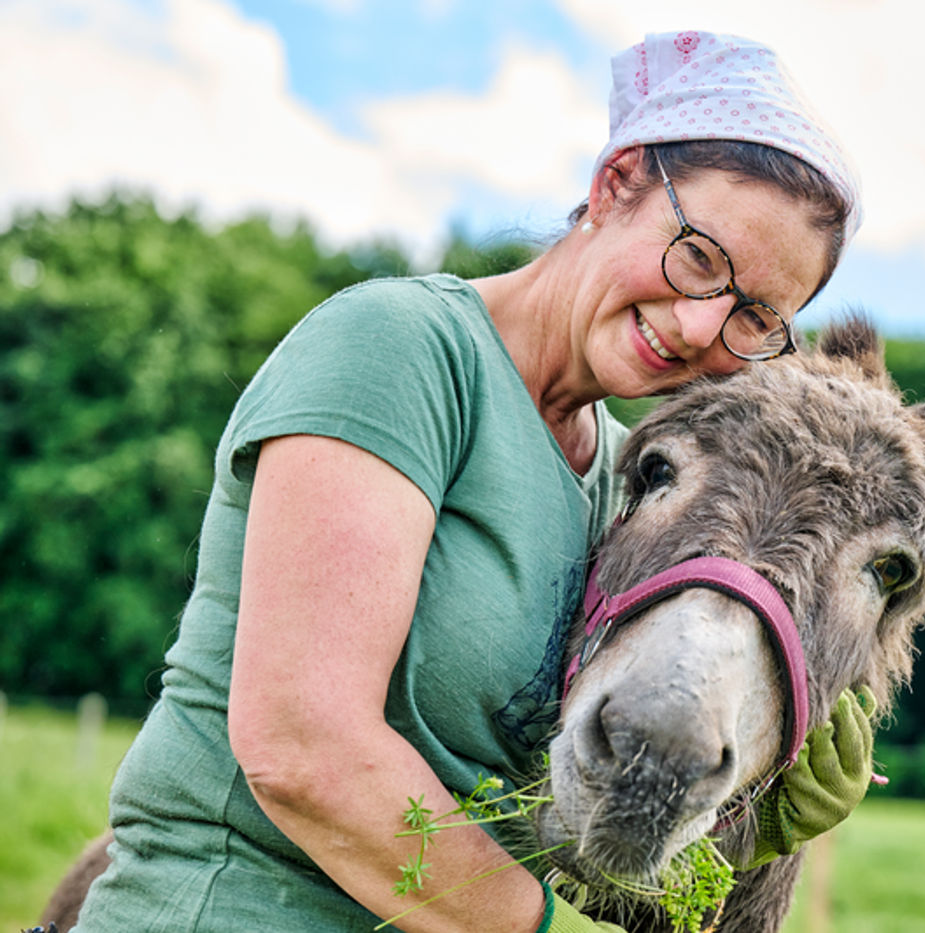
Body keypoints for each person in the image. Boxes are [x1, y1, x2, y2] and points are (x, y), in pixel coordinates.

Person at [73, 30, 872, 932]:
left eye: (755, 316)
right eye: (698, 257)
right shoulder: (401, 350)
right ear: (616, 185)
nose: (699, 327)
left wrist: (748, 827)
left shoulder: (623, 485)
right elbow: (301, 744)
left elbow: (536, 808)